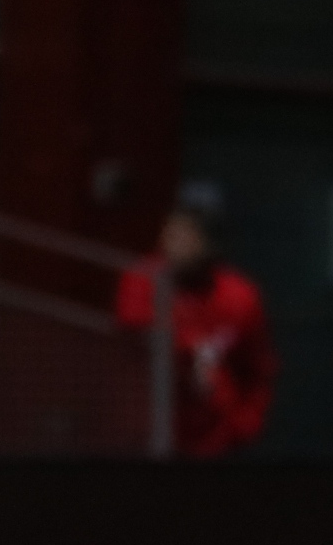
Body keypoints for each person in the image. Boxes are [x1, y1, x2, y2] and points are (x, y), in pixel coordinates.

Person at [114, 184, 274, 456]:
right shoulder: (144, 279)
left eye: (191, 231)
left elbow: (259, 369)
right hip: (150, 440)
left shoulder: (239, 296)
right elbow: (137, 329)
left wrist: (245, 423)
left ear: (211, 240)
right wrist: (193, 350)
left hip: (217, 443)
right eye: (175, 230)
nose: (178, 240)